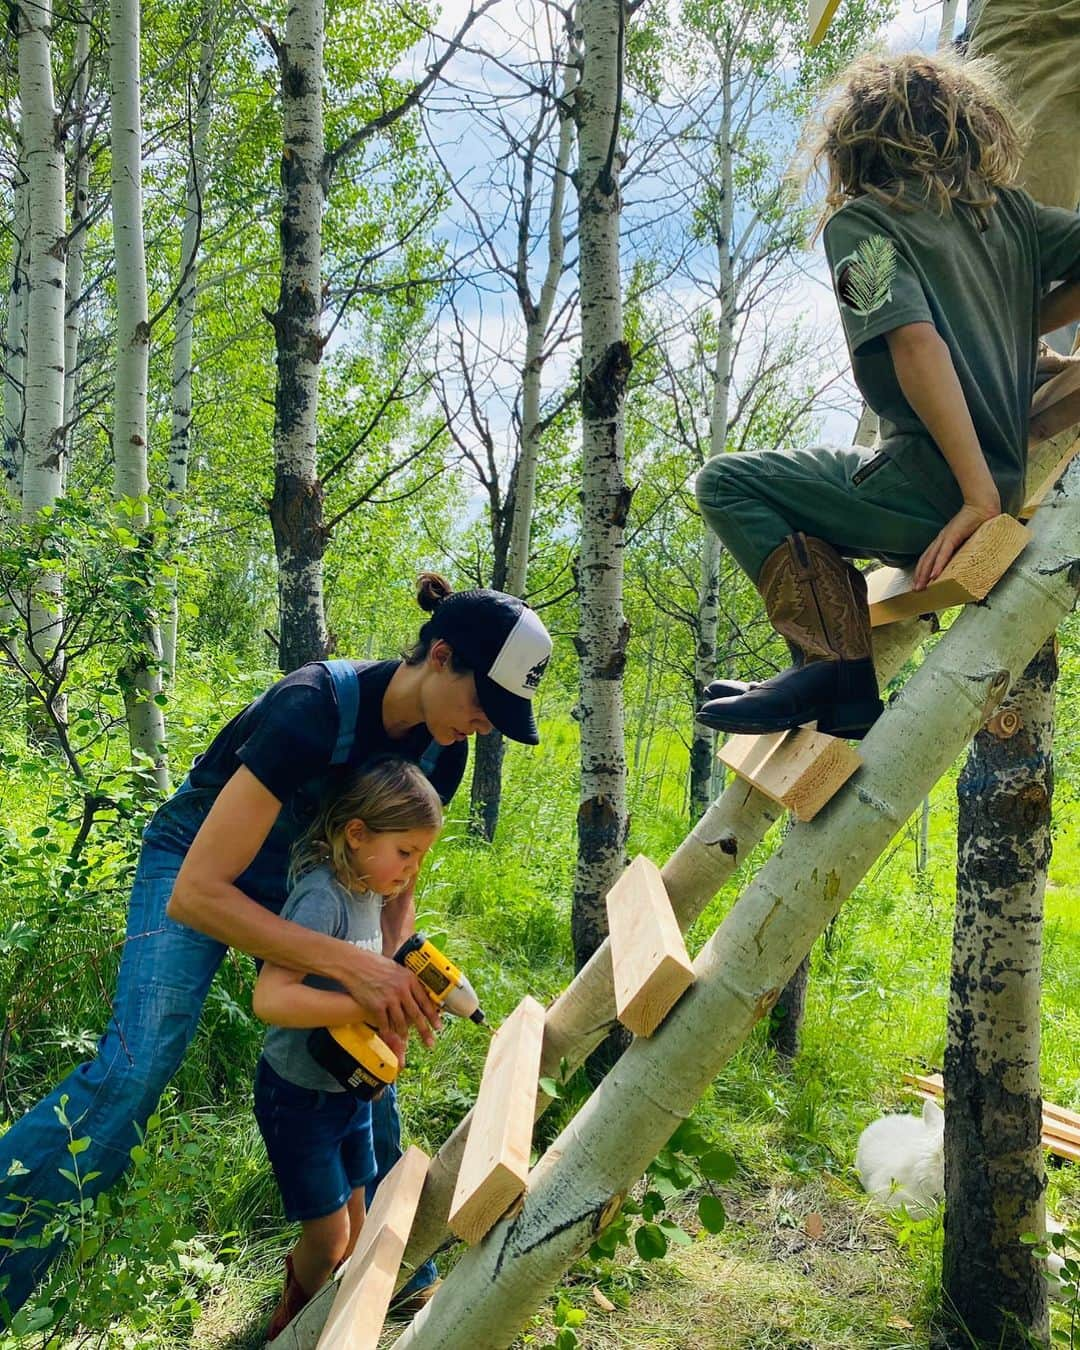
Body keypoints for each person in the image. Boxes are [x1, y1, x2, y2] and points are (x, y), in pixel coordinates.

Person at [0, 574, 552, 1323]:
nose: (485, 725)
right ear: (442, 656)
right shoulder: (314, 709)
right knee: (136, 1068)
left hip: (314, 881)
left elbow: (398, 885)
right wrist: (351, 966)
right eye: (484, 703)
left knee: (369, 1050)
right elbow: (198, 895)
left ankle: (387, 1264)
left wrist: (393, 969)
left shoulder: (442, 751)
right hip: (203, 863)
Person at [694, 50, 1080, 738]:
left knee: (727, 483)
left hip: (930, 488)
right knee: (809, 505)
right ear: (968, 127)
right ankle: (831, 677)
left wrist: (975, 498)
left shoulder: (861, 226)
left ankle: (836, 671)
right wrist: (1021, 326)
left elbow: (913, 341)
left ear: (853, 144)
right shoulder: (1009, 216)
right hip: (990, 473)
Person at [252, 757, 443, 1339]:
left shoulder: (369, 891)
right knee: (330, 1236)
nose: (411, 871)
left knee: (357, 1224)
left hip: (348, 1094)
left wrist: (393, 1021)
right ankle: (295, 1323)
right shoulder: (322, 899)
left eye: (419, 857)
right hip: (299, 1097)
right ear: (357, 835)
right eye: (404, 852)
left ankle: (340, 1316)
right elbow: (272, 1000)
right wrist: (367, 1004)